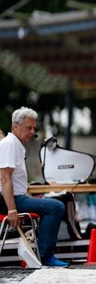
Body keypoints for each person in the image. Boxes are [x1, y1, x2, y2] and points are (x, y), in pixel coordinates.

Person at [0, 107, 69, 267]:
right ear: (15, 127)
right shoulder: (9, 144)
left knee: (52, 202)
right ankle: (46, 256)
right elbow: (4, 178)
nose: (32, 132)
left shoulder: (15, 145)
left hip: (16, 197)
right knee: (55, 207)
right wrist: (11, 210)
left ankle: (43, 253)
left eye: (33, 128)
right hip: (10, 200)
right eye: (28, 128)